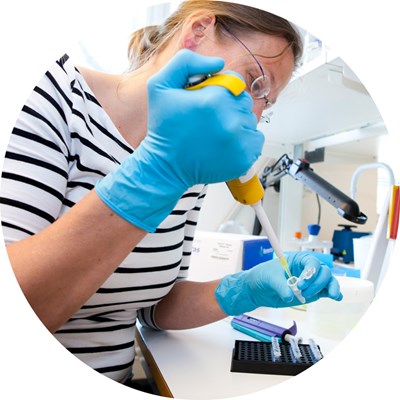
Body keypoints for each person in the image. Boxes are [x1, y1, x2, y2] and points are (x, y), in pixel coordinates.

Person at [0, 0, 342, 388]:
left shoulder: (191, 161)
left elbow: (155, 307)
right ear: (197, 32)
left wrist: (245, 288)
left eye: (267, 103)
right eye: (255, 81)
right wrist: (157, 172)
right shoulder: (47, 95)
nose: (255, 113)